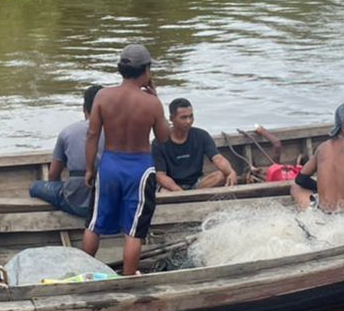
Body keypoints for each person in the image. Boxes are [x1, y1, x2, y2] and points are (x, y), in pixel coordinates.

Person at [83, 44, 172, 277]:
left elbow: (92, 135)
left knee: (94, 224)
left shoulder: (102, 96)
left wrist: (90, 169)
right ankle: (129, 277)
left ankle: (82, 272)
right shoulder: (151, 103)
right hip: (139, 169)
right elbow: (164, 138)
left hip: (110, 164)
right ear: (146, 70)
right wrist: (156, 99)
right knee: (134, 230)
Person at [29, 84, 105, 218]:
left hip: (75, 201)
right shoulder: (118, 133)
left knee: (35, 187)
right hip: (108, 201)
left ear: (84, 109)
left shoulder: (67, 132)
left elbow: (53, 175)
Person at [153, 98, 238, 192]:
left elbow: (217, 158)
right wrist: (177, 189)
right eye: (183, 117)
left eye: (191, 116)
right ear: (172, 118)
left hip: (197, 184)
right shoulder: (159, 142)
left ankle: (193, 195)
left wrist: (230, 172)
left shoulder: (201, 135)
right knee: (163, 191)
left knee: (221, 176)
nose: (188, 121)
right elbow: (160, 175)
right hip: (172, 186)